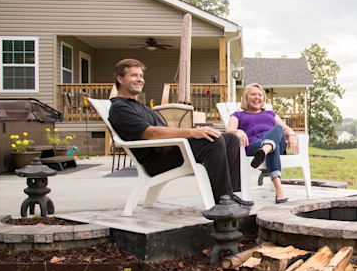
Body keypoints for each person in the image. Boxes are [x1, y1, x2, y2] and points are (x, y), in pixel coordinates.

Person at [108, 59, 253, 206]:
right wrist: (192, 132)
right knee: (212, 140)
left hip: (169, 150)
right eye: (133, 75)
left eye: (141, 75)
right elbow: (150, 134)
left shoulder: (138, 106)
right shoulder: (120, 108)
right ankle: (223, 198)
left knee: (230, 139)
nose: (139, 79)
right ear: (120, 79)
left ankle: (230, 193)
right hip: (156, 160)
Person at [226, 83, 299, 204]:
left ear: (263, 98)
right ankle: (279, 190)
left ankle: (264, 150)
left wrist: (292, 135)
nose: (257, 97)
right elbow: (229, 130)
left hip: (270, 144)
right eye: (253, 94)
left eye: (260, 95)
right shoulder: (237, 115)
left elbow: (285, 128)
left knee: (278, 128)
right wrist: (238, 131)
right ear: (246, 97)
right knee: (273, 146)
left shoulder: (270, 114)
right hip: (255, 145)